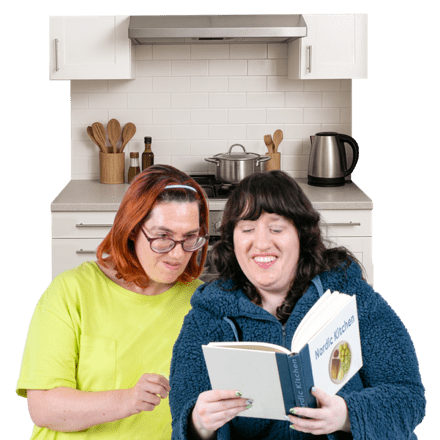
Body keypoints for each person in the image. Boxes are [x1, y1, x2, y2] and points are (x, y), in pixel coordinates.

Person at [169, 170, 426, 440]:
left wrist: (347, 415)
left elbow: (408, 399)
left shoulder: (350, 296)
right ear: (232, 240)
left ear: (301, 235)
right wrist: (200, 423)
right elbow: (183, 419)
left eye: (276, 228)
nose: (261, 243)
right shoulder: (207, 316)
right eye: (247, 229)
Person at [15, 165, 209, 439]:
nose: (177, 254)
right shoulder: (72, 292)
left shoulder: (203, 304)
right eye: (163, 237)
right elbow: (44, 408)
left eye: (190, 237)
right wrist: (129, 400)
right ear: (132, 230)